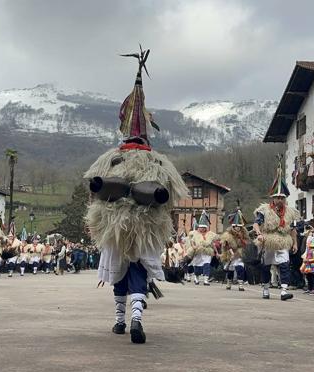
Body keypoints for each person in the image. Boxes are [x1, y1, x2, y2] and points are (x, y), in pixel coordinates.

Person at [84, 47, 188, 344]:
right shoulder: (158, 162)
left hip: (117, 226)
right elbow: (168, 198)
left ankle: (120, 320)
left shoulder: (110, 159)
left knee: (117, 273)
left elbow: (97, 194)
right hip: (145, 228)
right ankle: (136, 318)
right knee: (138, 272)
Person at [253, 160, 300, 300]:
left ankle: (284, 290)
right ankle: (266, 288)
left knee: (285, 265)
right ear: (273, 199)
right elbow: (256, 224)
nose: (280, 200)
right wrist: (259, 234)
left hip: (283, 241)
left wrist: (295, 243)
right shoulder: (264, 210)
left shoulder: (291, 212)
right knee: (266, 266)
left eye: (282, 198)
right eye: (277, 198)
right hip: (269, 240)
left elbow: (292, 229)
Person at [220, 208, 249, 291]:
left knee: (240, 268)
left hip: (239, 254)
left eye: (238, 227)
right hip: (230, 254)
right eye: (235, 226)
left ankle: (241, 284)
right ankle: (229, 282)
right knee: (230, 270)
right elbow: (226, 245)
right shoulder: (227, 235)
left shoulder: (244, 235)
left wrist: (239, 250)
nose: (237, 228)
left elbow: (245, 244)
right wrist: (231, 253)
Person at [188, 211, 218, 286]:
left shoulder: (210, 234)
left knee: (207, 264)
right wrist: (194, 246)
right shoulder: (195, 233)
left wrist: (216, 251)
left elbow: (214, 242)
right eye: (200, 227)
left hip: (207, 251)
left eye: (202, 227)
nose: (201, 228)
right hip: (198, 251)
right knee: (197, 265)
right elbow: (192, 241)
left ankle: (206, 280)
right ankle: (196, 278)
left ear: (205, 228)